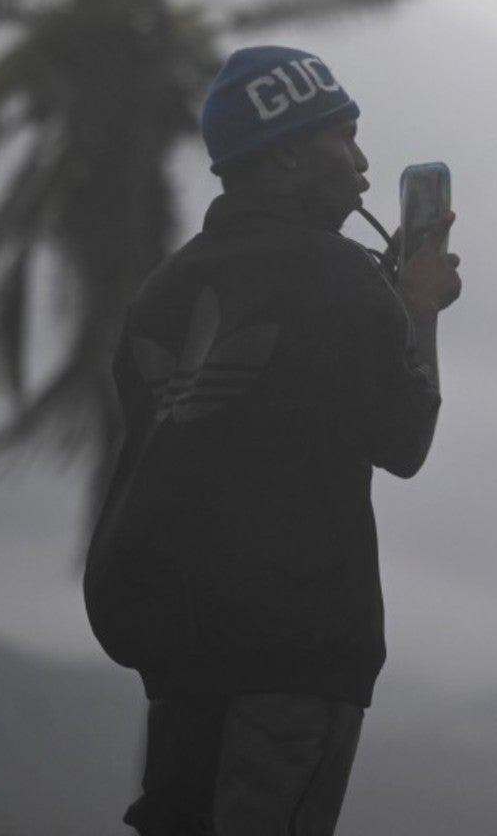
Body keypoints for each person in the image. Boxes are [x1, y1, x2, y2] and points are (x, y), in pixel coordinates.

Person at [84, 45, 462, 836]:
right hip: (294, 654)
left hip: (178, 656)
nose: (362, 165)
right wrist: (417, 306)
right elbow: (405, 437)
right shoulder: (336, 275)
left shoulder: (163, 290)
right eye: (343, 138)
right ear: (287, 152)